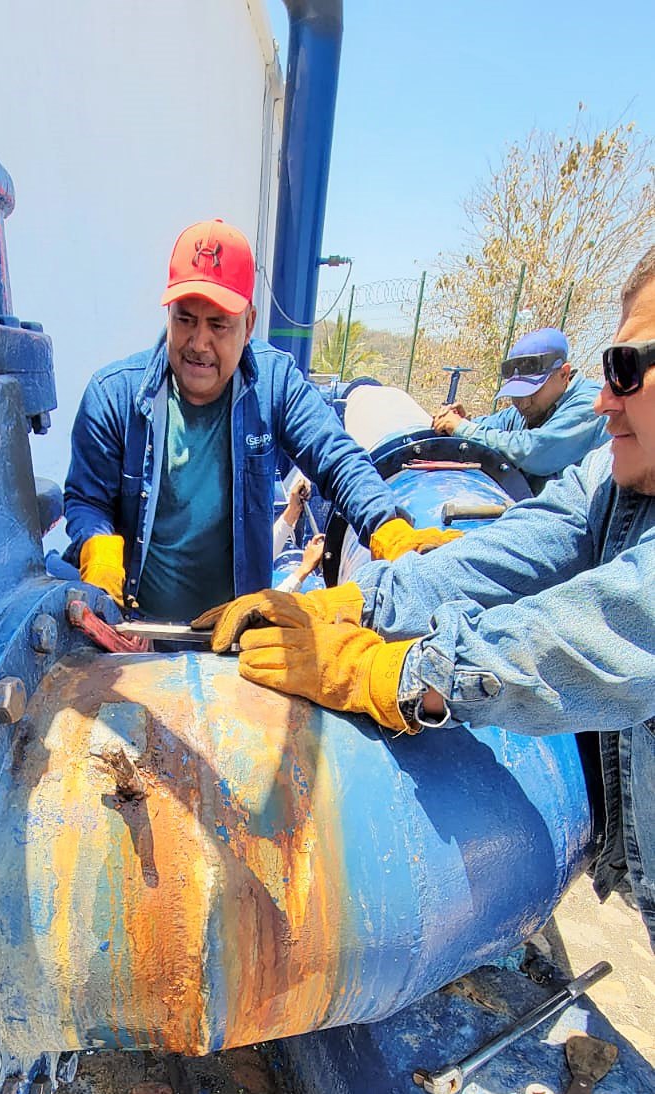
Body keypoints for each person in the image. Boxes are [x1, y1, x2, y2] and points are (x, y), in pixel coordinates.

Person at [195, 248, 655, 949]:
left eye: (625, 370)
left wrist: (396, 674)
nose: (602, 401)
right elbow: (513, 552)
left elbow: (592, 631)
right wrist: (357, 604)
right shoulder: (614, 482)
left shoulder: (275, 385)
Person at [63, 219, 461, 621]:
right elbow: (86, 500)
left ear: (249, 324)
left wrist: (385, 526)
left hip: (234, 636)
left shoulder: (275, 383)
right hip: (135, 635)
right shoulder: (113, 395)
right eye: (185, 319)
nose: (199, 343)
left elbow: (336, 458)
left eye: (218, 325)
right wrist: (98, 551)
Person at [431, 328, 608, 492]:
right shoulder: (532, 408)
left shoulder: (589, 405)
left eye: (532, 392)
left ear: (563, 374)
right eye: (516, 394)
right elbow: (492, 426)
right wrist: (460, 421)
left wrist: (463, 428)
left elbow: (534, 451)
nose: (523, 404)